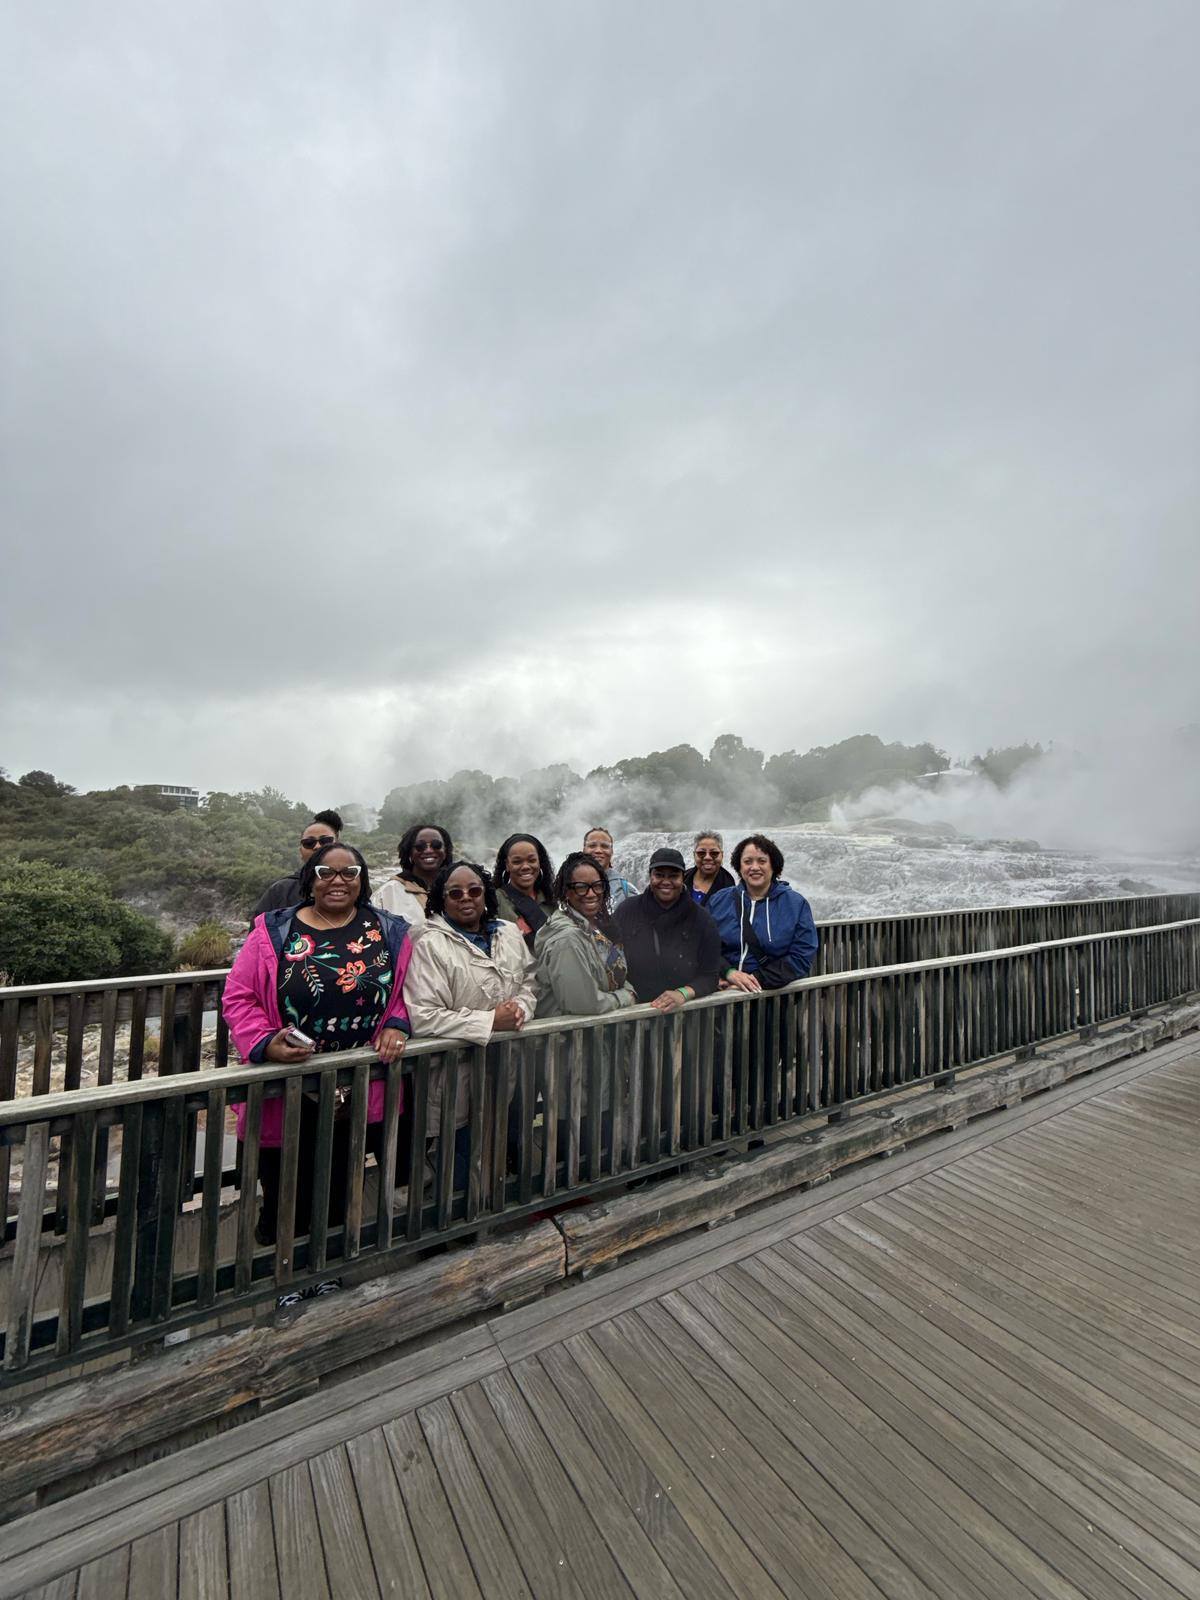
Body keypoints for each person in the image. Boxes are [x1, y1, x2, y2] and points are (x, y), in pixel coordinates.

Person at [223, 841, 413, 1252]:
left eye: (350, 873)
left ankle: (326, 1269)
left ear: (362, 881)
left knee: (341, 1178)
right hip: (290, 1083)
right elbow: (238, 997)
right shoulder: (274, 931)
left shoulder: (389, 930)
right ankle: (287, 1278)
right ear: (311, 879)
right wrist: (263, 1043)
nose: (338, 881)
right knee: (283, 1183)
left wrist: (397, 1023)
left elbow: (405, 990)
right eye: (327, 872)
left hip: (356, 1081)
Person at [405, 861, 536, 1186]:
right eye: (455, 893)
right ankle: (456, 1230)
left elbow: (531, 981)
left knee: (493, 1145)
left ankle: (485, 1215)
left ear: (486, 895)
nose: (467, 898)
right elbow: (422, 1015)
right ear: (441, 899)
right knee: (455, 1157)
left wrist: (520, 1009)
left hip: (503, 1066)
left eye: (475, 890)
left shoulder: (507, 932)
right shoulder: (428, 943)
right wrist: (491, 1021)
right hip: (453, 1073)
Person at [612, 847, 722, 1012]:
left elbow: (710, 975)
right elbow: (610, 957)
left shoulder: (702, 919)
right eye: (659, 875)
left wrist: (682, 993)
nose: (666, 881)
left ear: (683, 878)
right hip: (632, 1014)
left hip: (685, 1016)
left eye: (673, 876)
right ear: (650, 876)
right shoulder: (627, 911)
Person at [708, 834, 819, 991]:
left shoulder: (795, 904)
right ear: (739, 867)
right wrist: (728, 972)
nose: (754, 867)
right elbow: (703, 945)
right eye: (747, 862)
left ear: (773, 866)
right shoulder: (719, 900)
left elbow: (801, 956)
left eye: (762, 861)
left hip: (773, 997)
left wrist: (754, 980)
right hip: (721, 994)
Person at [535, 852, 637, 1018]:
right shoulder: (567, 939)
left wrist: (627, 988)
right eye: (581, 887)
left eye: (597, 885)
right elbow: (585, 1004)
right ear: (567, 892)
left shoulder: (591, 926)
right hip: (569, 1040)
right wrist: (626, 996)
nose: (591, 894)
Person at [251, 809, 344, 917]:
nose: (317, 846)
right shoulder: (281, 891)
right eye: (309, 843)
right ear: (300, 851)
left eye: (325, 841)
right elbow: (259, 932)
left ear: (339, 845)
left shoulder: (353, 887)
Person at [372, 822, 454, 926]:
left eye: (436, 845)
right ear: (409, 852)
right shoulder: (388, 893)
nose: (428, 850)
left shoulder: (461, 890)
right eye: (420, 846)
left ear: (446, 851)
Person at [493, 833, 556, 951]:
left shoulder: (552, 900)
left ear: (540, 862)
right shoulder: (495, 901)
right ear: (507, 865)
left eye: (532, 860)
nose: (526, 866)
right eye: (517, 862)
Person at [582, 827, 637, 908]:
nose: (598, 850)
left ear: (612, 851)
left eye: (604, 846)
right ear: (584, 850)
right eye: (592, 845)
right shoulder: (568, 885)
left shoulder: (627, 890)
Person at [684, 831, 736, 907]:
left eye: (714, 853)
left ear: (722, 855)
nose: (707, 857)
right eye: (701, 853)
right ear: (694, 855)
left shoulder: (729, 887)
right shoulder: (683, 878)